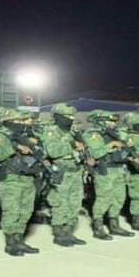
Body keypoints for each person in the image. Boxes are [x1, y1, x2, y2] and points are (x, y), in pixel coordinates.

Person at [0, 108, 42, 255]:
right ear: (9, 122)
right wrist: (15, 147)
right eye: (18, 121)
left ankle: (19, 240)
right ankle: (10, 244)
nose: (22, 123)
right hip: (10, 180)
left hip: (27, 178)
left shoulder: (23, 136)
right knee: (12, 212)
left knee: (26, 212)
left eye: (22, 120)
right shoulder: (1, 136)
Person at [39, 103, 89, 245]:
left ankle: (69, 232)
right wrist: (71, 145)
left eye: (72, 115)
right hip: (62, 172)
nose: (71, 118)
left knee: (75, 203)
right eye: (67, 116)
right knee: (60, 204)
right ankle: (59, 234)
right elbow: (52, 151)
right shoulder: (51, 131)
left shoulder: (73, 131)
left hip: (76, 171)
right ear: (58, 117)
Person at [82, 110, 135, 240]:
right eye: (110, 121)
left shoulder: (116, 133)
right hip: (105, 170)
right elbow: (95, 153)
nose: (113, 123)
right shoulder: (93, 134)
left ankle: (114, 226)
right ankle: (98, 228)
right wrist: (111, 145)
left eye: (114, 121)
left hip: (119, 169)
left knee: (119, 198)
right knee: (104, 199)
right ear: (100, 121)